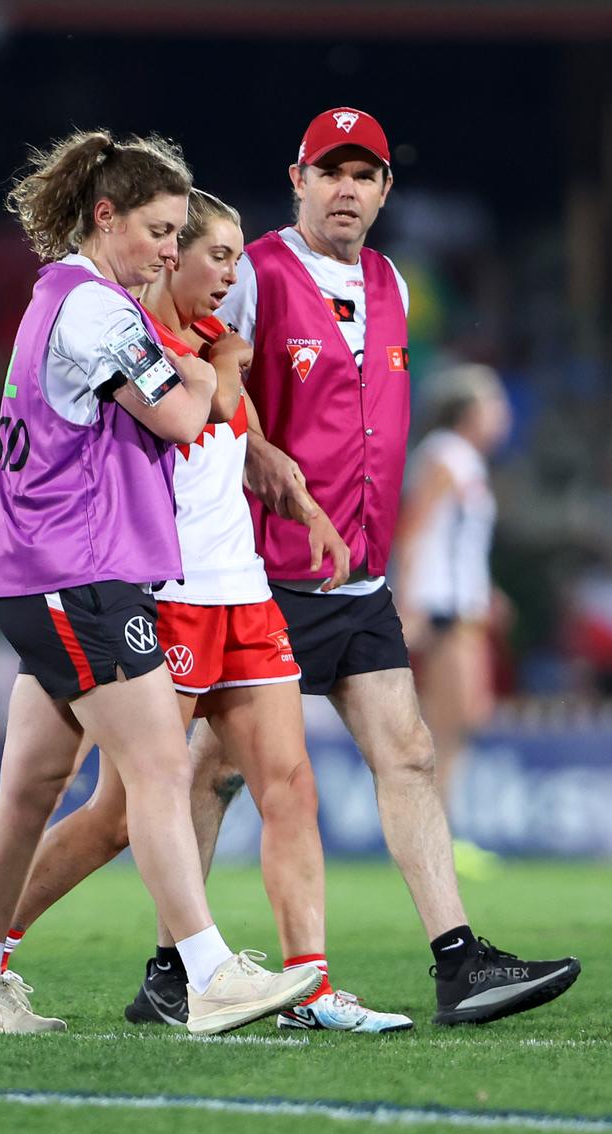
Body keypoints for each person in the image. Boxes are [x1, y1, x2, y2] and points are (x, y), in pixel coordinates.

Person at [0, 189, 414, 1035]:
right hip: (160, 594)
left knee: (289, 786)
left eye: (234, 256)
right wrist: (218, 370)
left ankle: (309, 989)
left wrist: (307, 515)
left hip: (242, 590)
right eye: (209, 253)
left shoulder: (207, 343)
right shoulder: (134, 342)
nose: (231, 273)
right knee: (119, 809)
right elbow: (187, 416)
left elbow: (247, 444)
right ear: (165, 255)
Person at [202, 106, 579, 1026]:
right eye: (330, 171)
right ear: (298, 179)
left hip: (360, 579)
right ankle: (182, 964)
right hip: (272, 573)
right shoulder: (252, 270)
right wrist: (249, 442)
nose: (346, 188)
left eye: (363, 174)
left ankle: (459, 965)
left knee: (407, 754)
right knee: (214, 769)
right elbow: (211, 362)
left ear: (384, 190)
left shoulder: (391, 282)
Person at [393, 364, 512, 876]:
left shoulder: (465, 461)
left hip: (462, 604)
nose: (503, 416)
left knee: (464, 718)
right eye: (494, 405)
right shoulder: (445, 455)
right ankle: (436, 836)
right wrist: (411, 602)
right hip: (440, 606)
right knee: (448, 723)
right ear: (469, 412)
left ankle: (440, 830)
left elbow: (456, 538)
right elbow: (414, 530)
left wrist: (487, 591)